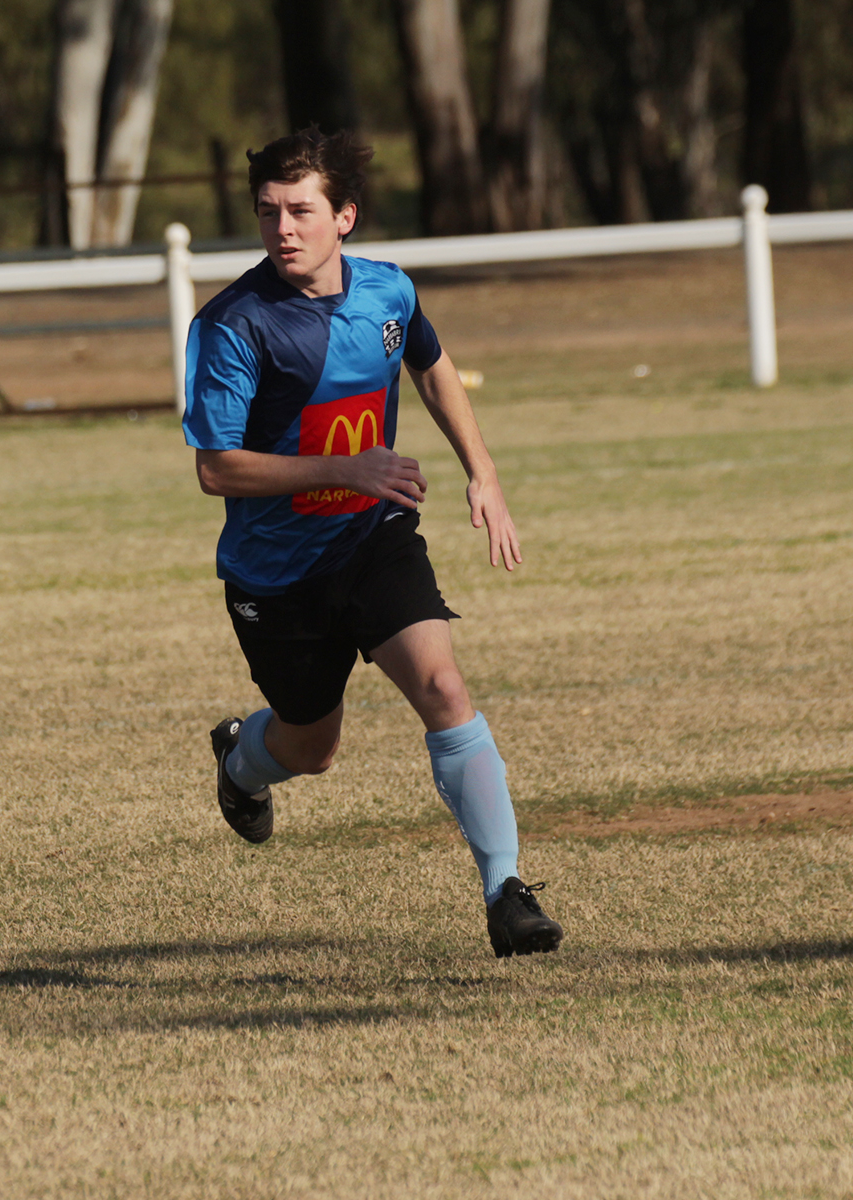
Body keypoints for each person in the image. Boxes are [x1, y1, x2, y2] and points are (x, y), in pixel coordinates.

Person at [181, 127, 562, 958]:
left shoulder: (387, 292)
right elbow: (216, 470)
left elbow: (429, 363)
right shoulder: (235, 327)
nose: (283, 228)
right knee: (311, 747)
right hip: (276, 575)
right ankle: (242, 763)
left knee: (444, 687)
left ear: (345, 216)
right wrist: (345, 466)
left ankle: (507, 891)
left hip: (371, 535)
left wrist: (482, 469)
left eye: (301, 211)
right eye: (268, 212)